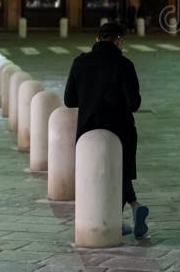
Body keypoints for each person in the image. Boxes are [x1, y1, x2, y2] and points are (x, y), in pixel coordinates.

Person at [64, 22, 149, 238]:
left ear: (97, 39)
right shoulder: (124, 65)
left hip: (88, 131)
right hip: (120, 130)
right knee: (120, 173)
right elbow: (134, 104)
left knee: (101, 176)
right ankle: (116, 219)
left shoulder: (79, 62)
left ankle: (133, 207)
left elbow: (69, 99)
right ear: (119, 41)